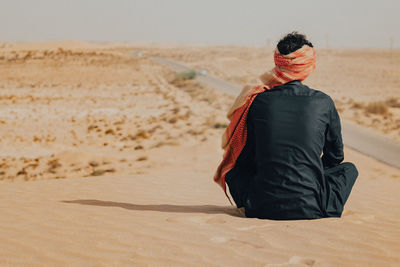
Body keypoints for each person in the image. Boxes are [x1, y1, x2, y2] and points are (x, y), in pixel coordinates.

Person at [213, 32, 358, 220]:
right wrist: (309, 172)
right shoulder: (323, 102)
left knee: (233, 168)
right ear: (309, 66)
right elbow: (336, 156)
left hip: (260, 206)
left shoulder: (257, 101)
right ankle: (324, 206)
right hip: (312, 206)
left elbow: (245, 156)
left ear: (278, 65)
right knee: (349, 169)